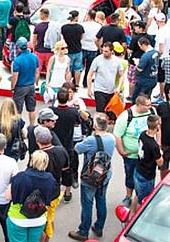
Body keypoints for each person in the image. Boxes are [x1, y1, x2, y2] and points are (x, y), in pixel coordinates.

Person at [68, 113, 115, 241]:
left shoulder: (90, 140)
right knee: (101, 200)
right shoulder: (111, 138)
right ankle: (99, 227)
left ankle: (83, 231)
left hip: (90, 177)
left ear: (94, 125)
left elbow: (77, 148)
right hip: (105, 175)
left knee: (87, 204)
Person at [113, 94, 154, 210]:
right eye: (147, 105)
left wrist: (158, 144)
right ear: (139, 105)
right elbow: (118, 135)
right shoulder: (126, 116)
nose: (150, 107)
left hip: (145, 155)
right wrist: (121, 151)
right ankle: (128, 196)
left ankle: (140, 197)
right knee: (130, 175)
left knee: (143, 178)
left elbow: (157, 126)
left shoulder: (151, 111)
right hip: (130, 155)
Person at [5, 151, 57, 242]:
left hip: (18, 218)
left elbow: (8, 197)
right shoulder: (50, 179)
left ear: (31, 161)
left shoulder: (21, 177)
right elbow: (52, 197)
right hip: (38, 218)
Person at [32, 126, 68, 241]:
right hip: (55, 190)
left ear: (37, 141)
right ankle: (48, 236)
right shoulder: (61, 150)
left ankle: (46, 238)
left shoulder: (38, 156)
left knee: (43, 220)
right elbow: (66, 168)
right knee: (50, 216)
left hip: (41, 194)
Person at [87, 42, 124, 112]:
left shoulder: (117, 61)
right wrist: (89, 89)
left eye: (106, 51)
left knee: (109, 112)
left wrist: (119, 87)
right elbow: (90, 74)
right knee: (100, 112)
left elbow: (121, 75)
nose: (104, 53)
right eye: (103, 51)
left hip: (111, 91)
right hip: (99, 89)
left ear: (112, 51)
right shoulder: (97, 60)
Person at [10, 37, 39, 126]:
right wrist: (34, 83)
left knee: (17, 110)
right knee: (31, 108)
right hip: (31, 86)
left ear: (18, 47)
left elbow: (15, 77)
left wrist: (12, 87)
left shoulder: (17, 61)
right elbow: (37, 72)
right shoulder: (34, 57)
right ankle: (31, 126)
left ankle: (18, 128)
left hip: (20, 87)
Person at [134, 114, 163, 204]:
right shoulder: (153, 146)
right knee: (144, 202)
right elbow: (160, 163)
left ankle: (132, 214)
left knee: (138, 195)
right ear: (157, 126)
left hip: (138, 169)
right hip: (147, 175)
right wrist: (160, 153)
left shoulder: (143, 134)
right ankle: (138, 216)